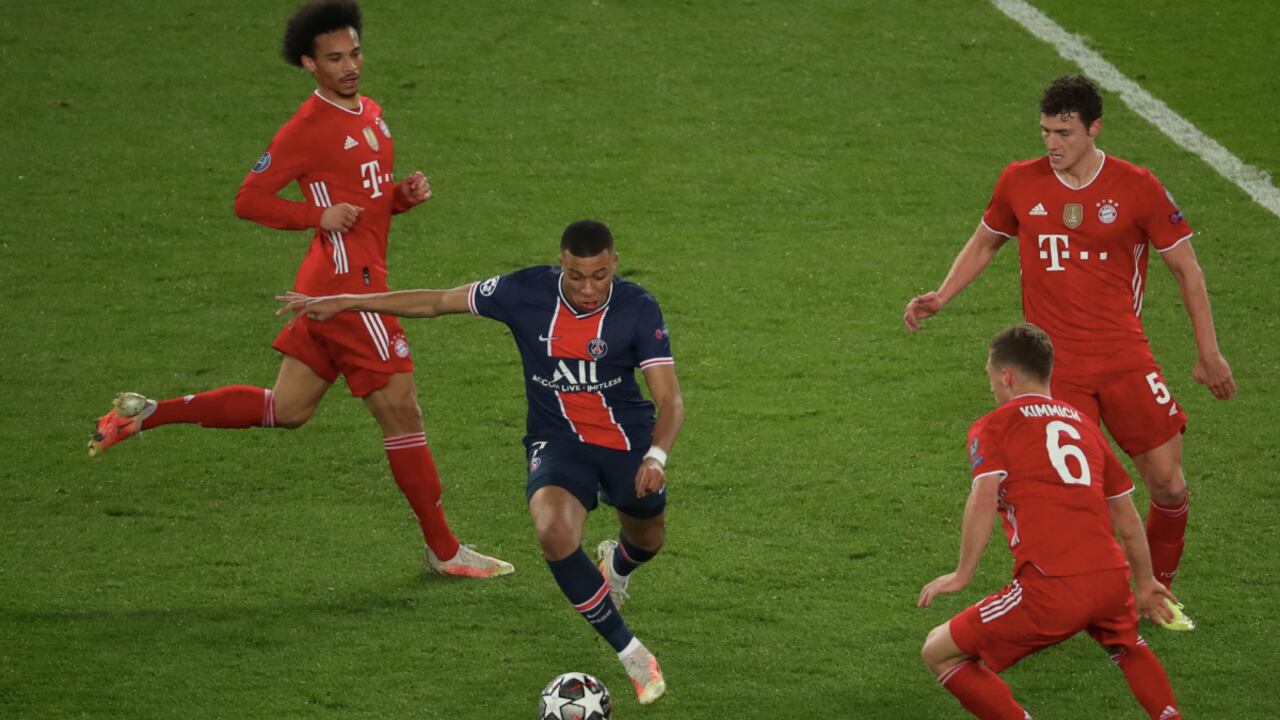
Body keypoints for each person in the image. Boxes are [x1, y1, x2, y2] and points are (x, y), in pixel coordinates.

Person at [87, 0, 511, 579]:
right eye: (334, 58)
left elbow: (363, 199)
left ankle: (148, 413)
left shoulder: (372, 114)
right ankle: (444, 552)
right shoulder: (306, 129)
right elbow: (249, 199)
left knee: (285, 409)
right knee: (404, 416)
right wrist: (316, 218)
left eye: (355, 52)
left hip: (328, 289)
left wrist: (398, 198)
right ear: (309, 64)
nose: (349, 65)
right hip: (347, 293)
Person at [277, 220, 684, 705]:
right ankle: (634, 655)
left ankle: (615, 568)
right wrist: (347, 301)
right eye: (577, 275)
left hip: (628, 443)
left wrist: (657, 456)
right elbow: (437, 301)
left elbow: (671, 400)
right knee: (553, 532)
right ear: (562, 264)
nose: (589, 287)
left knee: (648, 538)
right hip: (558, 442)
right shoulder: (524, 291)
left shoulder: (638, 308)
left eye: (599, 275)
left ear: (614, 263)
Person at [903, 74, 1236, 588]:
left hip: (1126, 358)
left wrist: (1208, 354)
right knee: (1074, 494)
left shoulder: (1137, 186)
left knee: (1168, 485)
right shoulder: (1019, 181)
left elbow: (1187, 270)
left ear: (1094, 128)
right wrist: (942, 295)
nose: (1052, 144)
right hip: (1057, 370)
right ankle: (1074, 590)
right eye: (1045, 132)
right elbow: (985, 241)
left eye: (1064, 132)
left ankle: (1158, 591)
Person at [919, 323, 1185, 720]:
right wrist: (1145, 582)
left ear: (1006, 376)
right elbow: (1127, 517)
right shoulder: (1084, 428)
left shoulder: (994, 425)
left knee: (938, 651)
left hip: (1051, 586)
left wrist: (962, 573)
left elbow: (983, 498)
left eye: (992, 379)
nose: (992, 389)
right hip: (1110, 579)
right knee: (1126, 645)